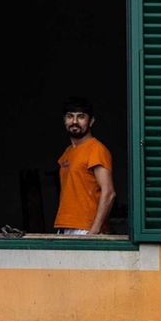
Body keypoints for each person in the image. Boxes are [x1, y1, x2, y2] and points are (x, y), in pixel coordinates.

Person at [54, 97, 116, 236]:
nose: (74, 121)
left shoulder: (96, 149)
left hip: (86, 228)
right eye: (70, 116)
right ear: (64, 120)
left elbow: (109, 193)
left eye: (81, 117)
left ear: (91, 121)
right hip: (65, 225)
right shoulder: (67, 152)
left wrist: (94, 231)